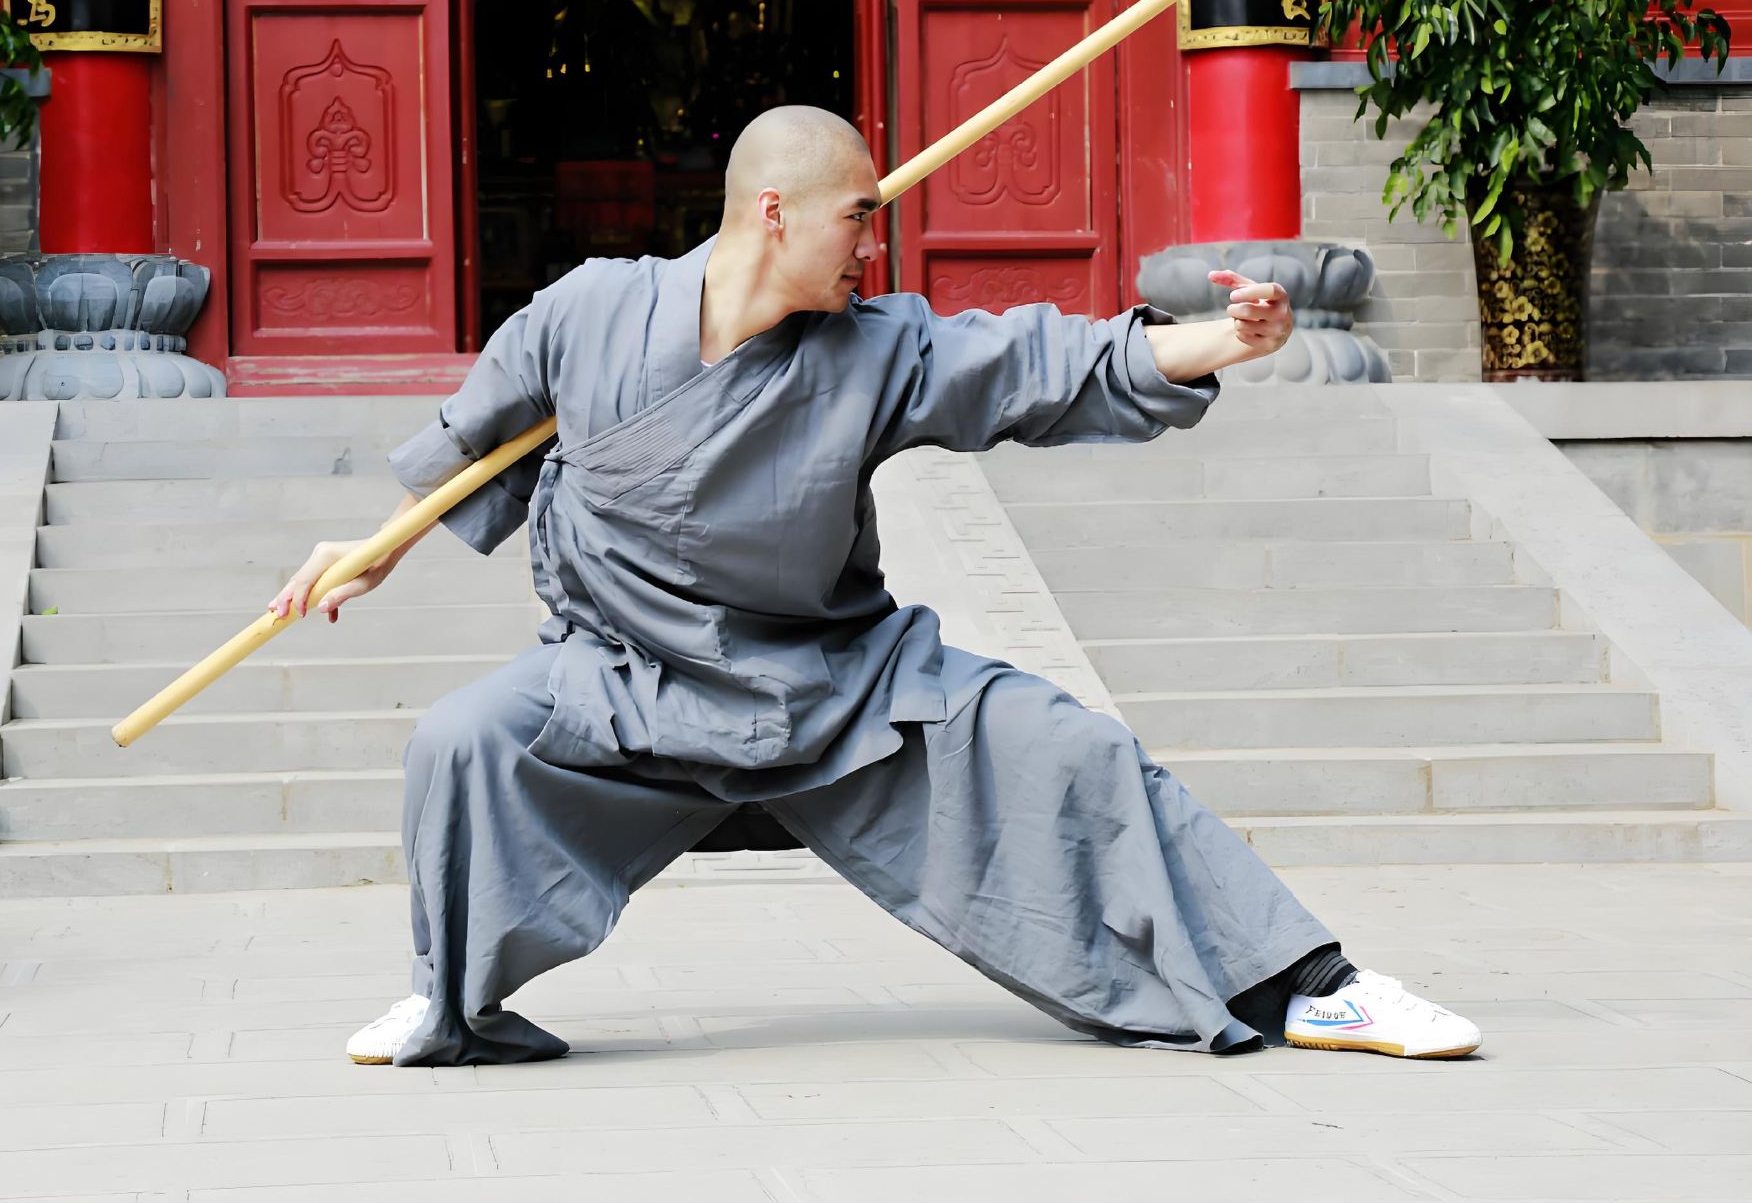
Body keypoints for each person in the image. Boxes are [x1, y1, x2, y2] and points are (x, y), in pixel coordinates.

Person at [272, 106, 1482, 1066]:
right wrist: (367, 548)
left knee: (1071, 749)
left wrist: (1218, 342)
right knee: (462, 741)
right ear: (773, 211)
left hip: (834, 685)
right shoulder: (583, 312)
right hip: (626, 681)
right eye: (858, 215)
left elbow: (1032, 361)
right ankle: (453, 1005)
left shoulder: (875, 348)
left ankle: (1308, 988)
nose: (871, 241)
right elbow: (459, 454)